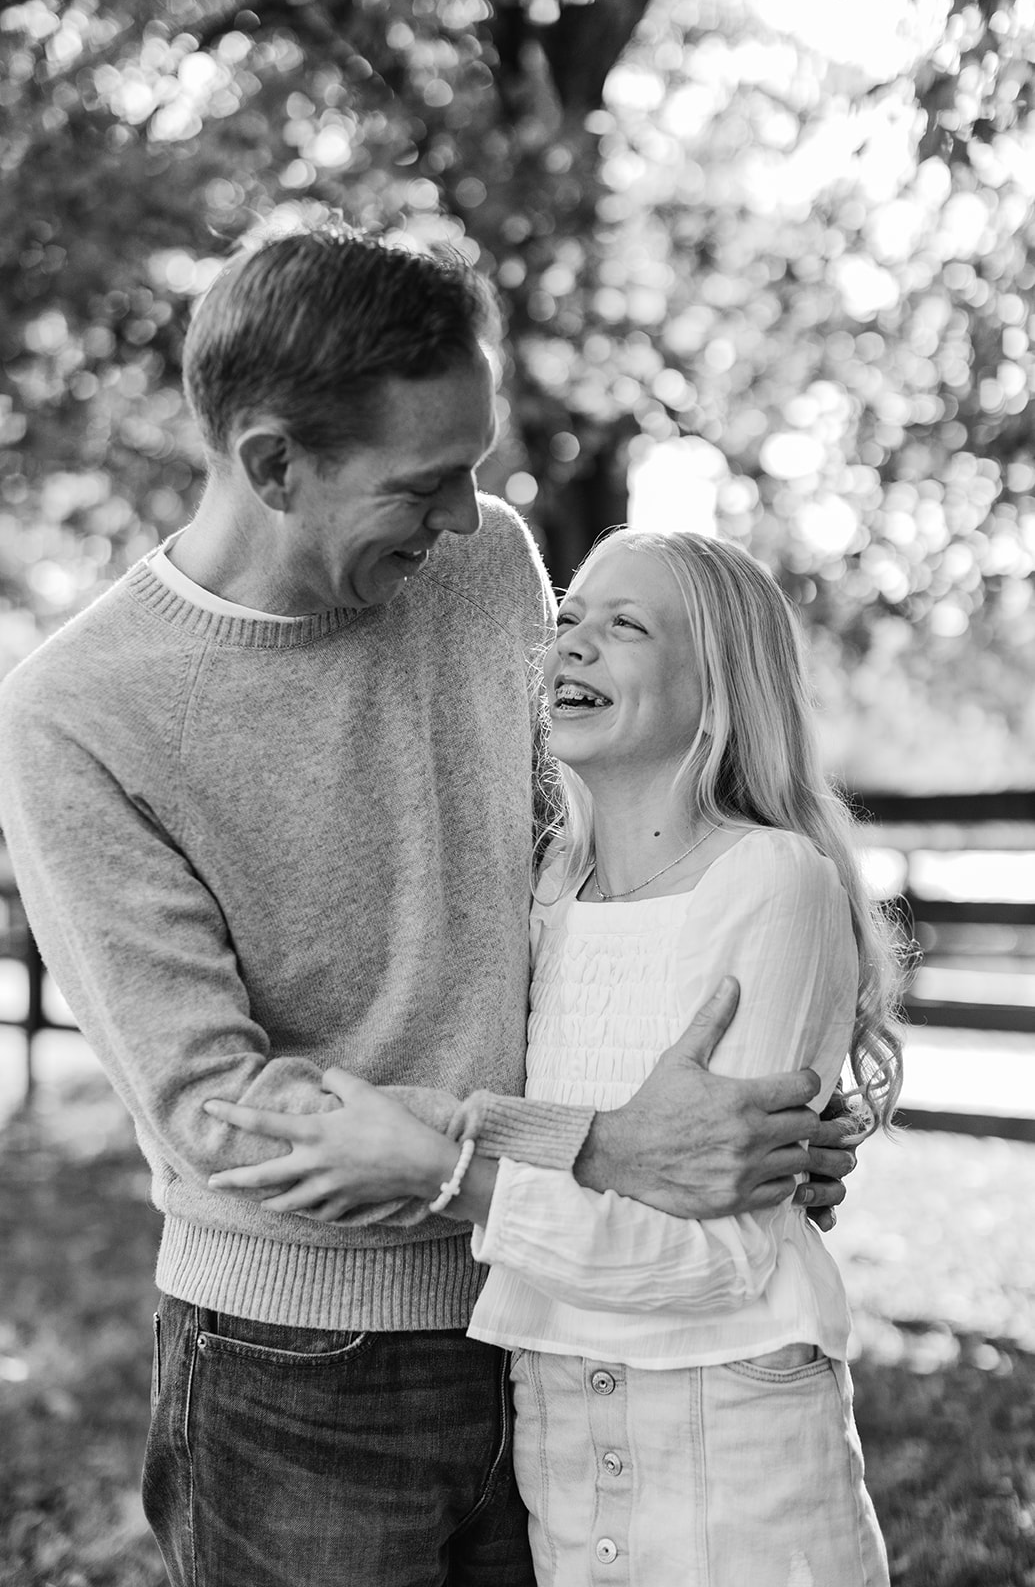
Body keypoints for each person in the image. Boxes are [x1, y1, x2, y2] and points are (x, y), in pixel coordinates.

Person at [0, 219, 857, 1587]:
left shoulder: (480, 564)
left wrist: (758, 1113)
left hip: (552, 1318)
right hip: (296, 1375)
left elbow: (572, 883)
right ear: (274, 463)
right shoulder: (75, 714)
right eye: (425, 481)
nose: (465, 517)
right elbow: (222, 1111)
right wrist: (604, 1149)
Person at [204, 528, 902, 1584]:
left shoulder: (768, 881)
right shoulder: (546, 895)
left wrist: (451, 1178)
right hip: (556, 1427)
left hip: (725, 1440)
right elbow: (567, 1138)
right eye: (569, 619)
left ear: (720, 684)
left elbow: (712, 1256)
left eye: (624, 626)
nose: (569, 645)